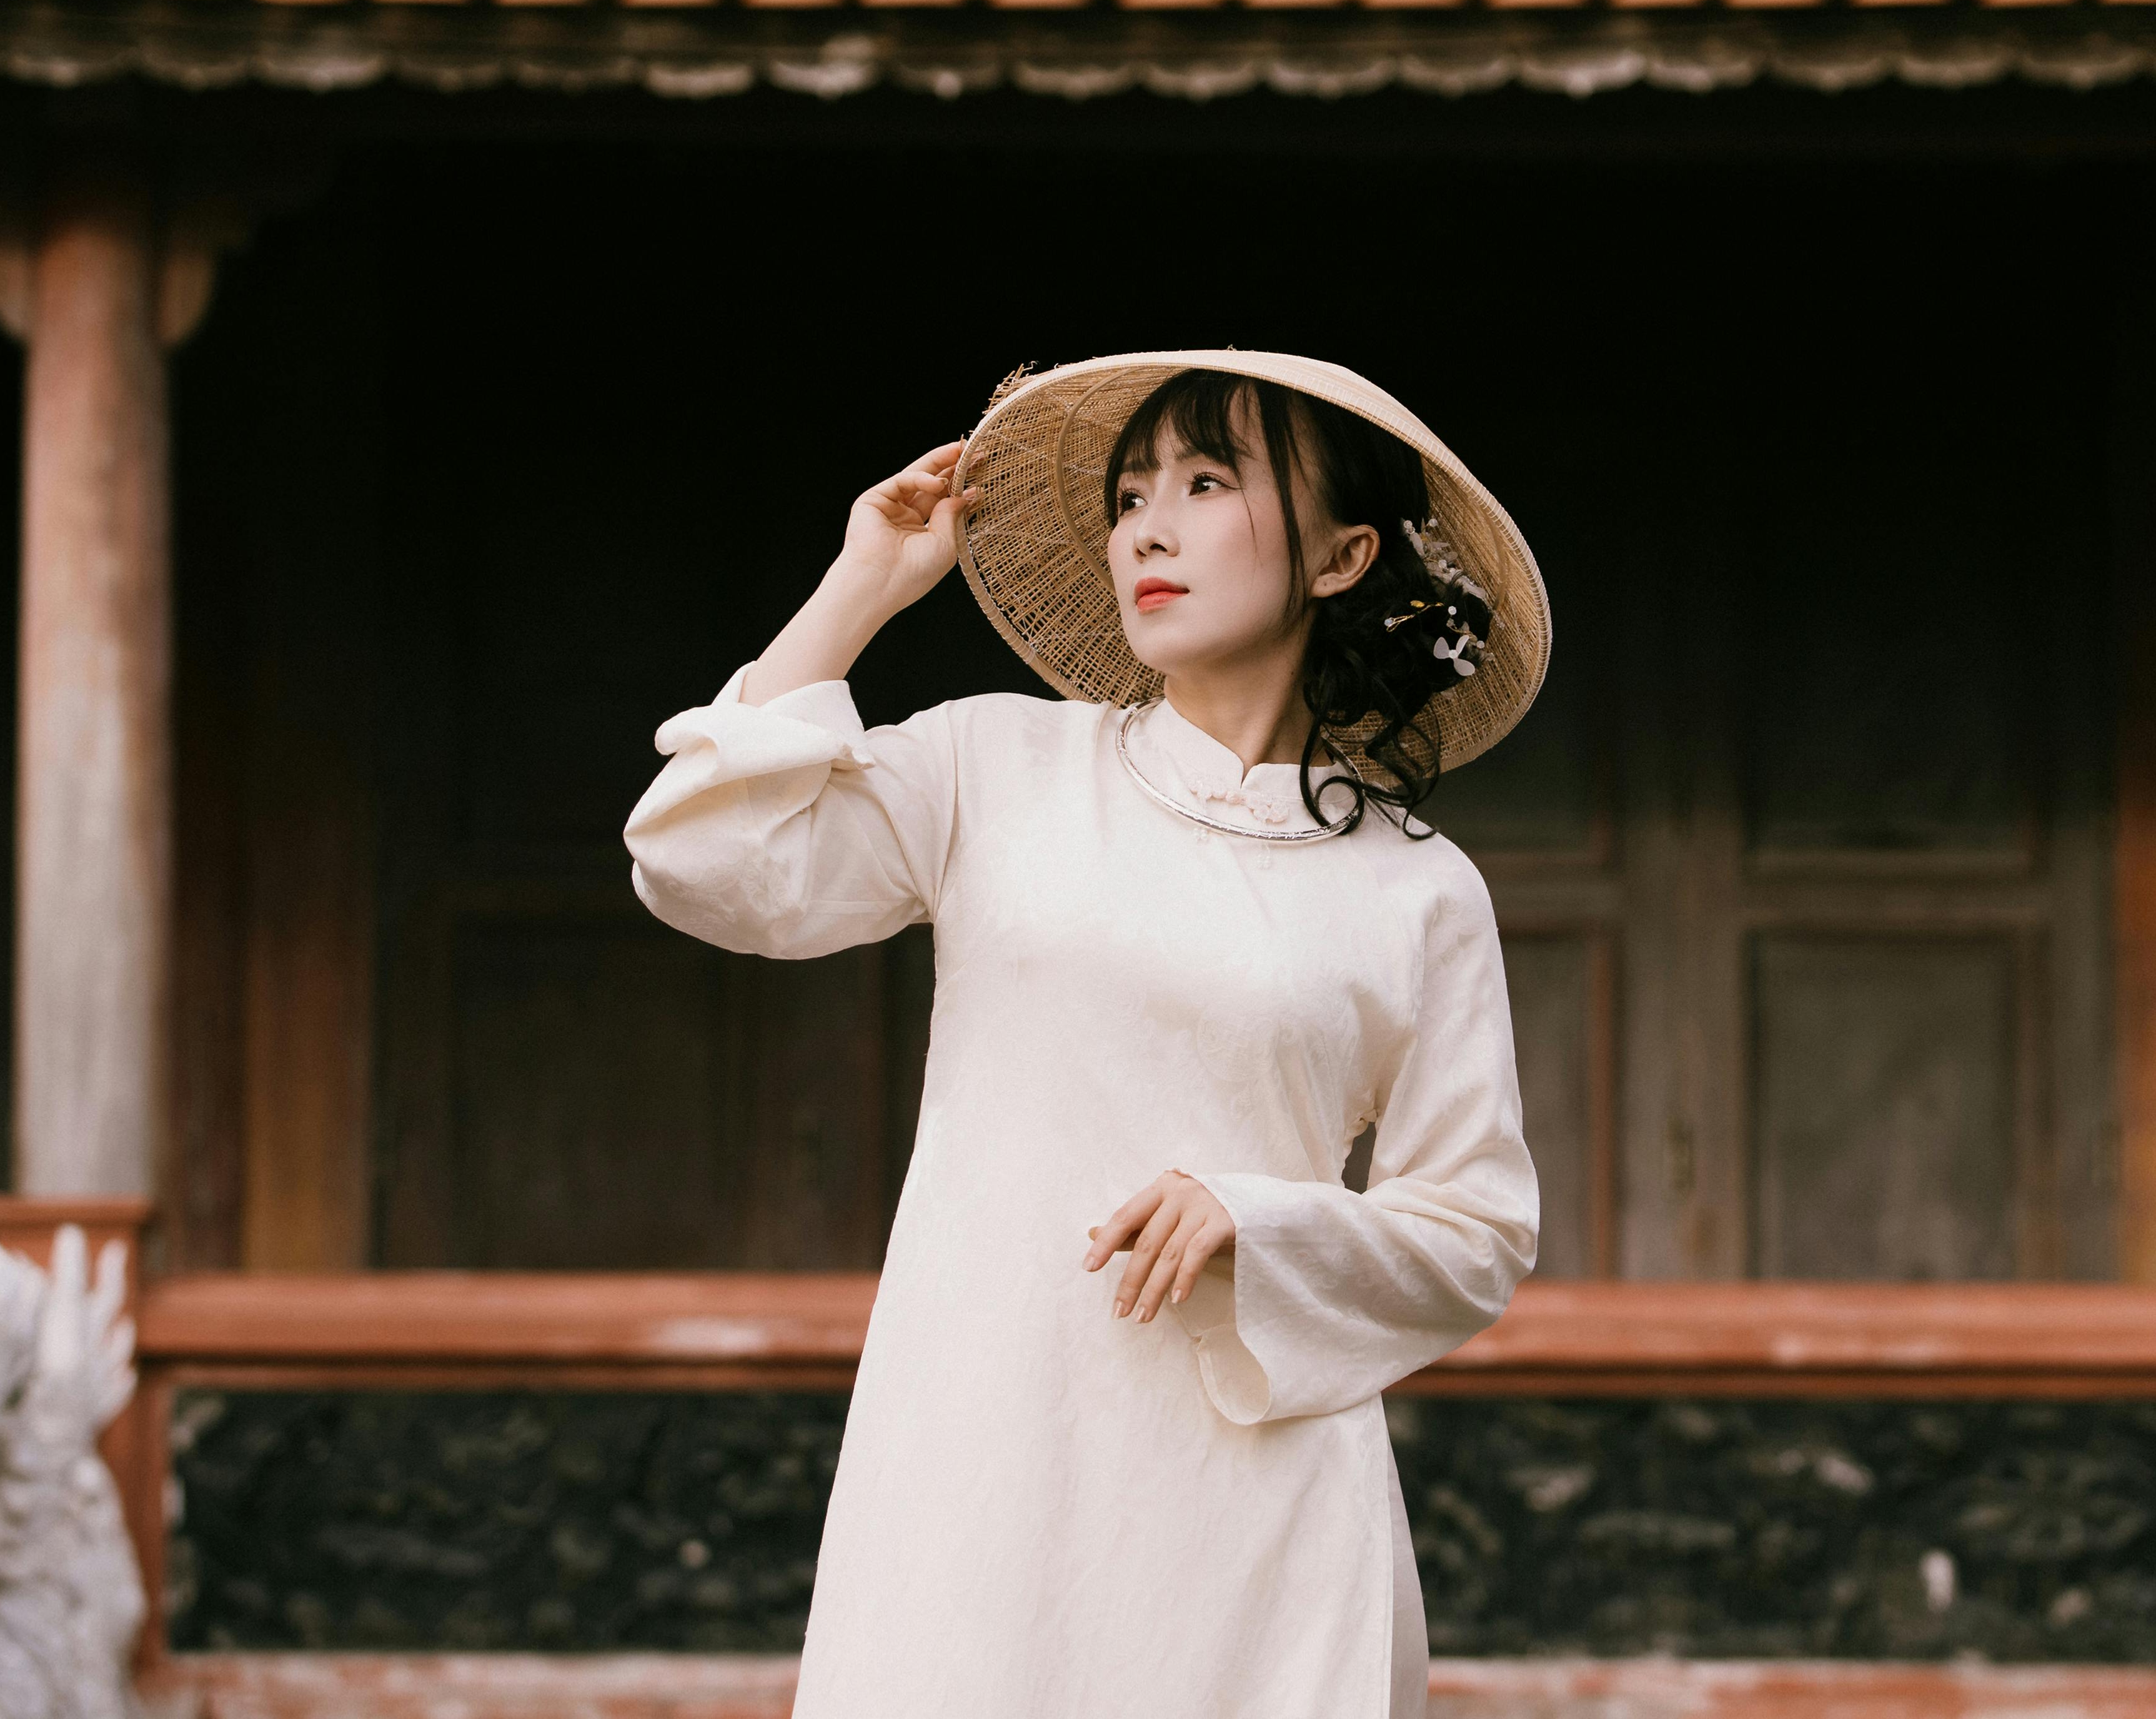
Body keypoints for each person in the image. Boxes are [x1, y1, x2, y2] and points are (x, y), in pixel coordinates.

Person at [623, 350, 1548, 1718]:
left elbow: (1473, 1226)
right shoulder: (996, 768)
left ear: (1342, 554)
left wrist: (1261, 1221)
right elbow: (704, 861)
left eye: (1205, 482)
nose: (1148, 529)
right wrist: (862, 583)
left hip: (1258, 1523)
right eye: (1129, 496)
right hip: (977, 1460)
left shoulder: (1415, 889)